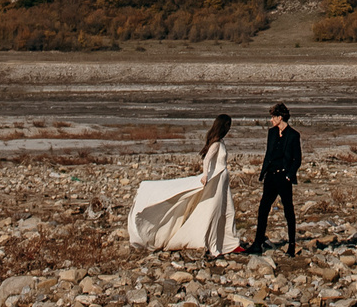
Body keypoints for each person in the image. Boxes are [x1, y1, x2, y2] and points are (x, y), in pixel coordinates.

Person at [126, 115, 237, 258]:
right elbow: (208, 159)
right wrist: (205, 175)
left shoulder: (219, 142)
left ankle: (228, 243)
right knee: (214, 213)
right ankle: (215, 247)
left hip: (222, 180)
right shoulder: (216, 144)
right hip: (217, 180)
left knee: (227, 211)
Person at [249, 102, 300, 256]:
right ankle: (257, 243)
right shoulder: (271, 133)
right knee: (263, 209)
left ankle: (291, 244)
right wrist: (264, 172)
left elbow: (297, 159)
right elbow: (268, 154)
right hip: (271, 176)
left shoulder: (293, 135)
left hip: (284, 177)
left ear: (280, 117)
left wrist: (289, 175)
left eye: (273, 117)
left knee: (288, 210)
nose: (271, 120)